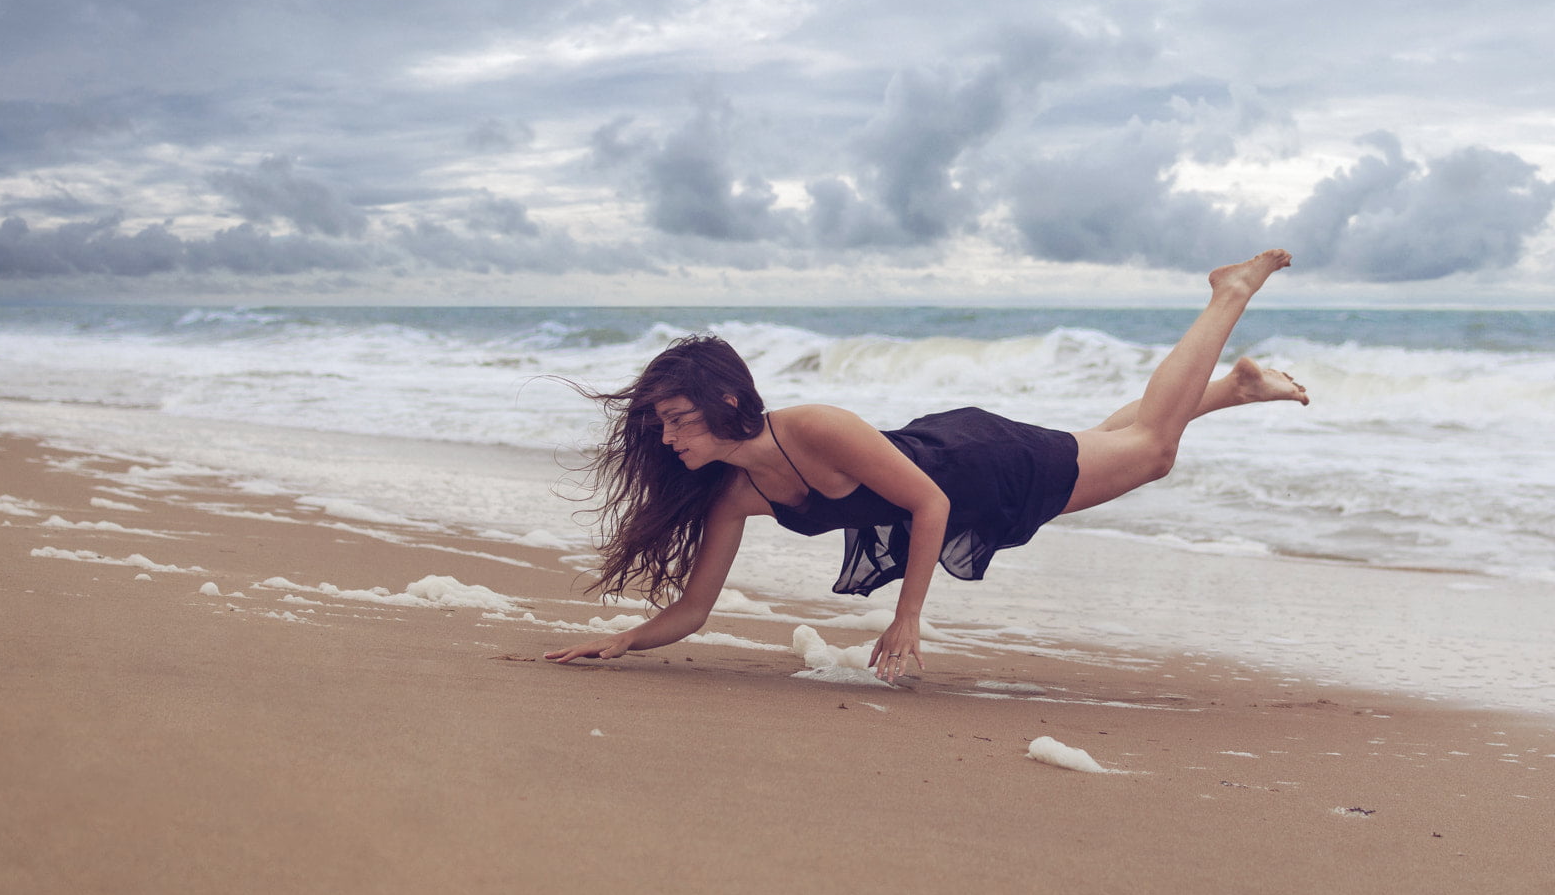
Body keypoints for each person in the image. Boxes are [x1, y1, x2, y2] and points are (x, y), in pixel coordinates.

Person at [544, 248, 1307, 683]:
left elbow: (930, 505)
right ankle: (1232, 388)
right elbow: (695, 610)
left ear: (726, 399)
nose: (670, 438)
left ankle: (1228, 294)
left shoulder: (815, 428)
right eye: (662, 426)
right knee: (1120, 444)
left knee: (1152, 452)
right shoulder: (733, 494)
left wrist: (907, 617)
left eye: (678, 419)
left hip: (980, 467)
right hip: (958, 466)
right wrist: (623, 642)